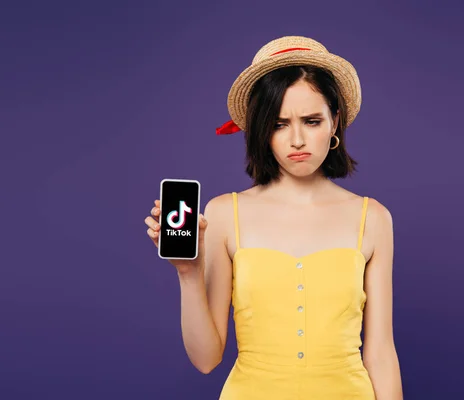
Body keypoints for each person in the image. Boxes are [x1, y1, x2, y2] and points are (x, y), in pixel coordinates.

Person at [144, 36, 403, 399]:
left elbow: (380, 352)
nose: (297, 139)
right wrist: (188, 273)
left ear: (334, 124)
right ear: (262, 131)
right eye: (280, 124)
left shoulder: (372, 218)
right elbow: (206, 359)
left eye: (312, 121)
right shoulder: (223, 213)